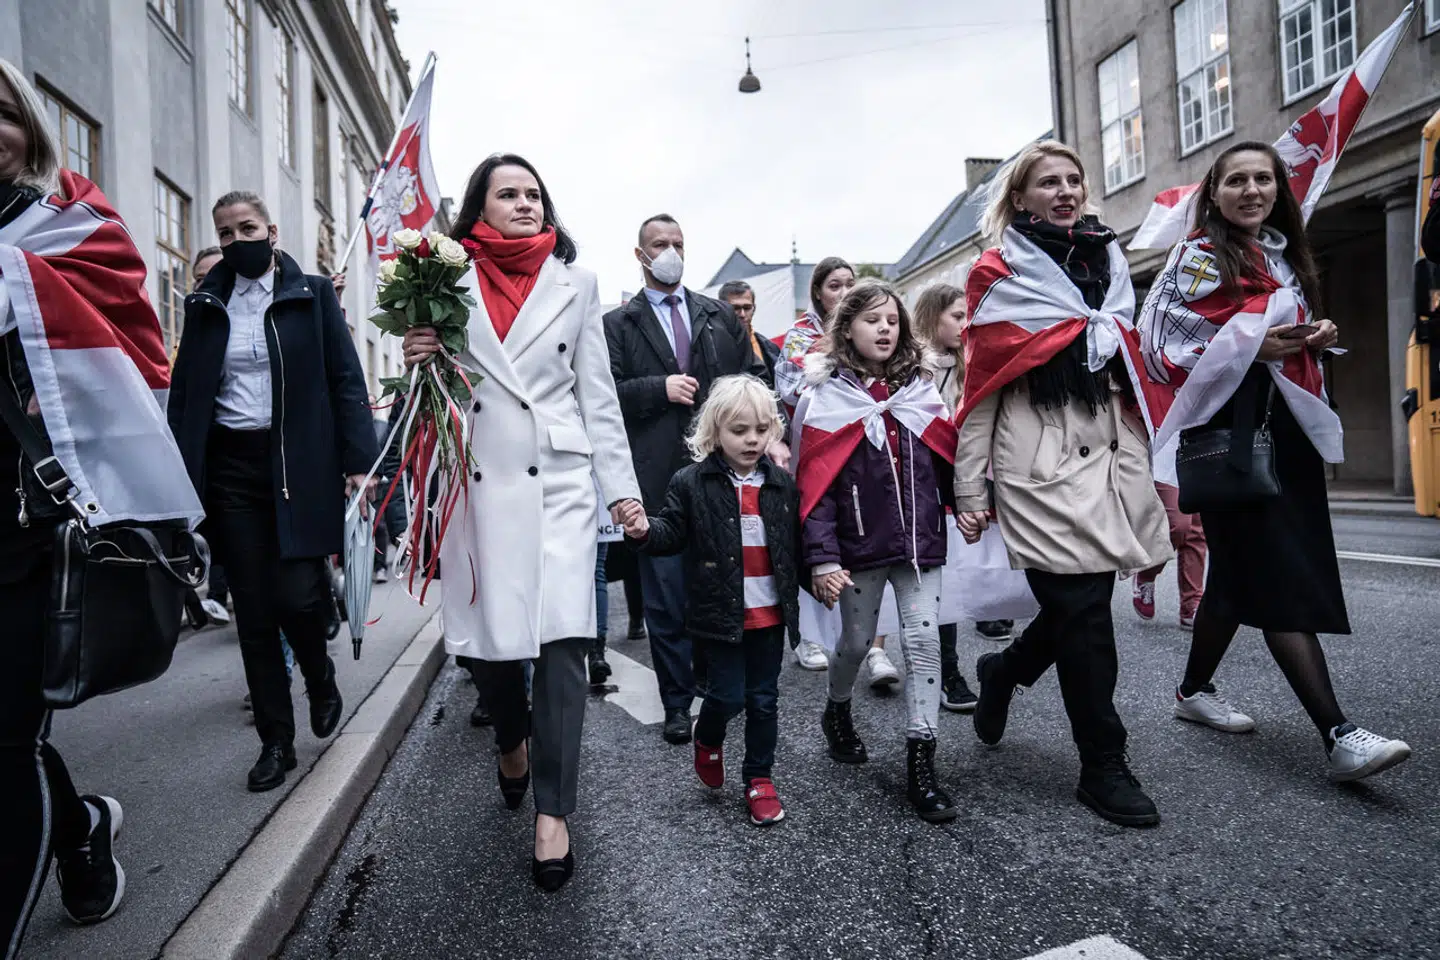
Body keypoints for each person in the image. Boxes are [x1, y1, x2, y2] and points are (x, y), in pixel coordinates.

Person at [0, 58, 204, 953]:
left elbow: (136, 359)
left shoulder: (70, 230)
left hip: (28, 534)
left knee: (3, 742)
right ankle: (80, 830)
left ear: (28, 128)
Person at [403, 153, 641, 892]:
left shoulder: (579, 283)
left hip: (561, 480)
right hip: (478, 482)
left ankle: (554, 813)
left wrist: (622, 490)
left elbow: (595, 394)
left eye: (535, 193)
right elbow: (432, 389)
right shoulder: (441, 280)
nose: (525, 203)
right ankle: (510, 736)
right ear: (480, 207)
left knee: (565, 641)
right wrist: (419, 356)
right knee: (492, 650)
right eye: (508, 193)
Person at [1138, 141, 1411, 782]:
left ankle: (1193, 692)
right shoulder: (1196, 257)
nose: (1252, 190)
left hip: (1283, 431)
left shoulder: (1283, 257)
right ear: (1215, 193)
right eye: (1237, 180)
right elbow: (1160, 342)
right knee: (1278, 570)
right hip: (1233, 439)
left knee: (1236, 577)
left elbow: (1279, 333)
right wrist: (1256, 346)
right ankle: (1339, 734)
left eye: (1264, 179)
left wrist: (1320, 336)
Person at [954, 140, 1172, 828]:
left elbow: (1130, 355)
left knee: (1077, 608)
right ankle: (1103, 764)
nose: (1065, 190)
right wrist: (970, 490)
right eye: (1048, 182)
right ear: (1019, 198)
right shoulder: (996, 274)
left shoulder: (1107, 261)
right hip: (1038, 464)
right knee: (1082, 613)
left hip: (1109, 458)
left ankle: (1003, 672)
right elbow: (982, 387)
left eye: (1073, 179)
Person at [169, 190, 378, 793]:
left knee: (297, 596)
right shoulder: (206, 304)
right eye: (224, 234)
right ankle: (275, 741)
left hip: (297, 466)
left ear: (272, 230)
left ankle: (319, 675)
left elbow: (345, 379)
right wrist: (178, 477)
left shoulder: (311, 295)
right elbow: (186, 396)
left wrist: (358, 462)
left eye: (247, 228)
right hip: (232, 470)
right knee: (254, 612)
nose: (237, 241)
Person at [798, 280, 960, 823]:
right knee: (856, 640)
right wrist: (823, 556)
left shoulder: (921, 389)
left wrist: (970, 502)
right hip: (860, 547)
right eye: (871, 320)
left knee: (922, 643)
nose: (885, 328)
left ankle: (922, 761)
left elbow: (945, 457)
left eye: (892, 319)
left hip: (920, 545)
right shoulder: (828, 398)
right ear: (846, 328)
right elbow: (816, 486)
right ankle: (837, 709)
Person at [604, 213, 767, 745]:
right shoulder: (618, 325)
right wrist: (658, 387)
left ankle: (709, 684)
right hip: (655, 480)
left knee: (715, 588)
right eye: (659, 243)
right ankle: (676, 703)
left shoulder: (717, 315)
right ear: (640, 254)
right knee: (666, 598)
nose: (670, 251)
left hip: (718, 478)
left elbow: (753, 381)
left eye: (677, 242)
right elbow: (602, 398)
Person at [621, 375, 800, 827]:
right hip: (718, 615)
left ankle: (759, 778)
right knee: (726, 696)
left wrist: (822, 572)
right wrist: (644, 529)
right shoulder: (691, 482)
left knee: (764, 699)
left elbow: (798, 544)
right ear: (715, 431)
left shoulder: (780, 485)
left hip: (770, 614)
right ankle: (709, 734)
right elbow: (671, 533)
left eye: (761, 429)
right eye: (740, 431)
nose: (752, 439)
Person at [911, 283, 978, 712]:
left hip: (961, 483)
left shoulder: (974, 364)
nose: (965, 323)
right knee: (927, 586)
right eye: (957, 315)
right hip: (921, 488)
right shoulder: (912, 373)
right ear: (932, 317)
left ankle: (947, 669)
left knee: (951, 580)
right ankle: (937, 668)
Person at [1129, 483, 1205, 628]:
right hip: (1166, 466)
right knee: (1178, 525)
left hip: (1200, 464)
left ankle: (1191, 605)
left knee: (1196, 530)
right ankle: (1146, 573)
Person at [717, 280, 781, 388]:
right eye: (735, 308)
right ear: (722, 309)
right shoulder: (709, 344)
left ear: (754, 309)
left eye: (747, 308)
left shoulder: (770, 348)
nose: (742, 314)